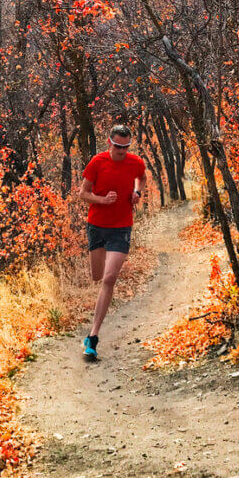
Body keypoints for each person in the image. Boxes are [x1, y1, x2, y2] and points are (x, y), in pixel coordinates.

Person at [78, 125, 146, 359]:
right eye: (118, 146)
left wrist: (138, 193)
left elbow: (142, 178)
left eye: (125, 147)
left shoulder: (135, 162)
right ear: (110, 143)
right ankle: (91, 335)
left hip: (121, 227)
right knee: (97, 276)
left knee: (109, 279)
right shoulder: (97, 162)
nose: (121, 150)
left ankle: (93, 337)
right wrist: (102, 200)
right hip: (97, 226)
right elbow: (83, 193)